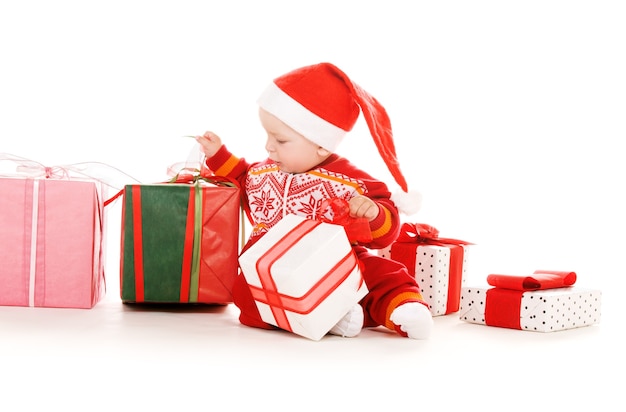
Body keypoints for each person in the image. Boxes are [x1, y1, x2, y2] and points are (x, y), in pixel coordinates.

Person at [195, 62, 433, 339]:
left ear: (322, 143)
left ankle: (404, 309)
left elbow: (386, 231)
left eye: (281, 140)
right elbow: (242, 177)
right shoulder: (265, 170)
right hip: (273, 265)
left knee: (381, 272)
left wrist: (373, 212)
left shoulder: (351, 182)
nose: (268, 146)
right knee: (246, 294)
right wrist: (217, 154)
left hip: (337, 261)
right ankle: (327, 317)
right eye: (268, 135)